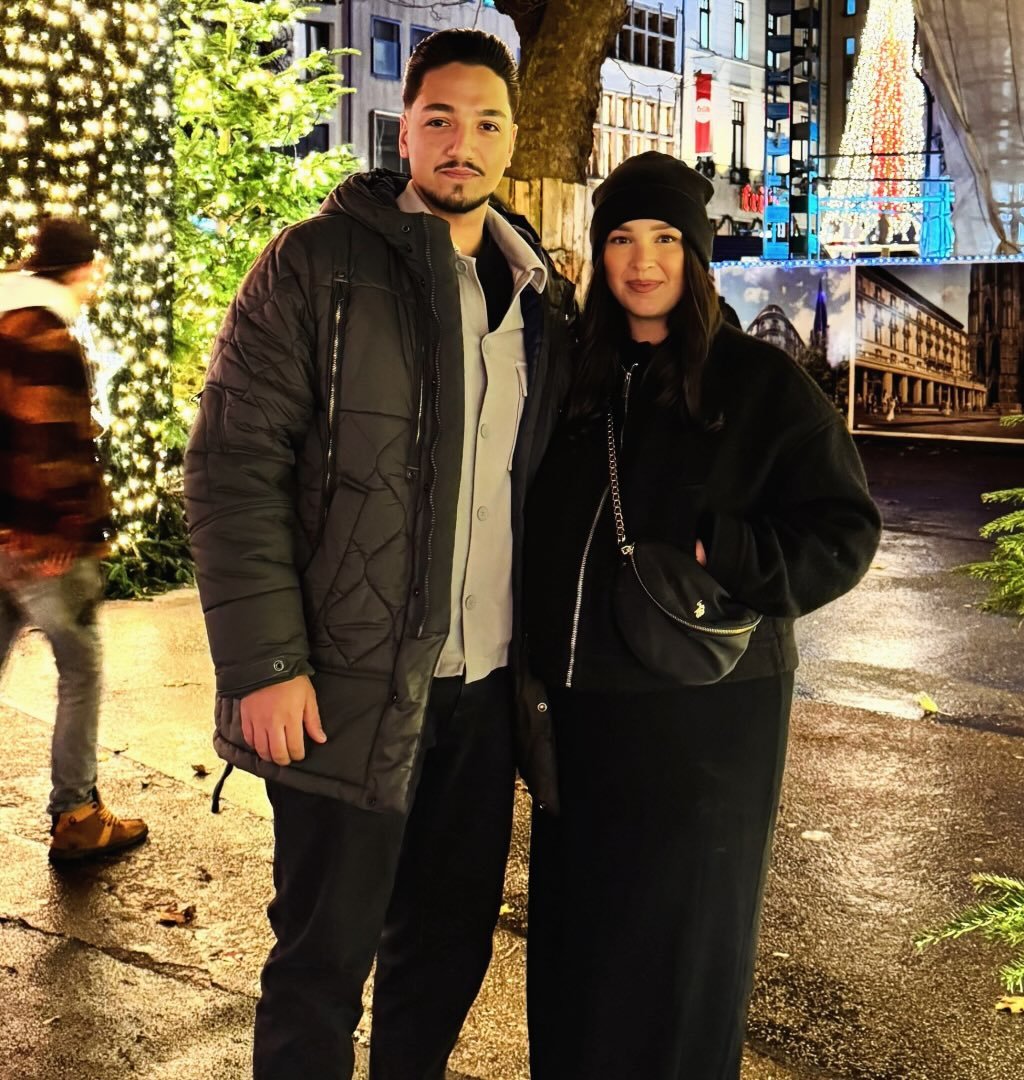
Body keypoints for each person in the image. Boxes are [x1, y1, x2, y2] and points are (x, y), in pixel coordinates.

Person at [183, 29, 575, 1080]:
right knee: (320, 966)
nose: (462, 143)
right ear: (404, 130)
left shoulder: (536, 296)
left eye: (485, 122)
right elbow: (231, 470)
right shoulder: (314, 265)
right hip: (341, 688)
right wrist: (266, 665)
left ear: (511, 139)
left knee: (442, 957)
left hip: (483, 696)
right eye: (439, 118)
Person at [523, 152, 881, 1080]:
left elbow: (844, 530)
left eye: (666, 239)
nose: (643, 262)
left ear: (696, 252)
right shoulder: (575, 378)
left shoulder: (758, 384)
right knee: (581, 948)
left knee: (683, 953)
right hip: (582, 715)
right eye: (621, 239)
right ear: (600, 254)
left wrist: (725, 551)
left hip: (707, 719)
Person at [0, 216, 149, 862]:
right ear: (79, 268)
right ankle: (78, 813)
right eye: (94, 269)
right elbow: (50, 435)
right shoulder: (46, 338)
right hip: (42, 544)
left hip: (7, 534)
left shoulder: (5, 325)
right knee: (81, 668)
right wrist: (65, 524)